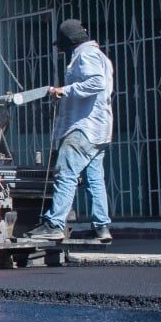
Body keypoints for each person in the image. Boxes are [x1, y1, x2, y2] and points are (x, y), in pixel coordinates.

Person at [26, 18, 114, 244]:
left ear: (69, 41)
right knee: (95, 179)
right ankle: (102, 227)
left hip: (83, 127)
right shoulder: (100, 56)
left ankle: (54, 224)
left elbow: (96, 83)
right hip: (99, 129)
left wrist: (64, 90)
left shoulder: (86, 55)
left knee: (65, 174)